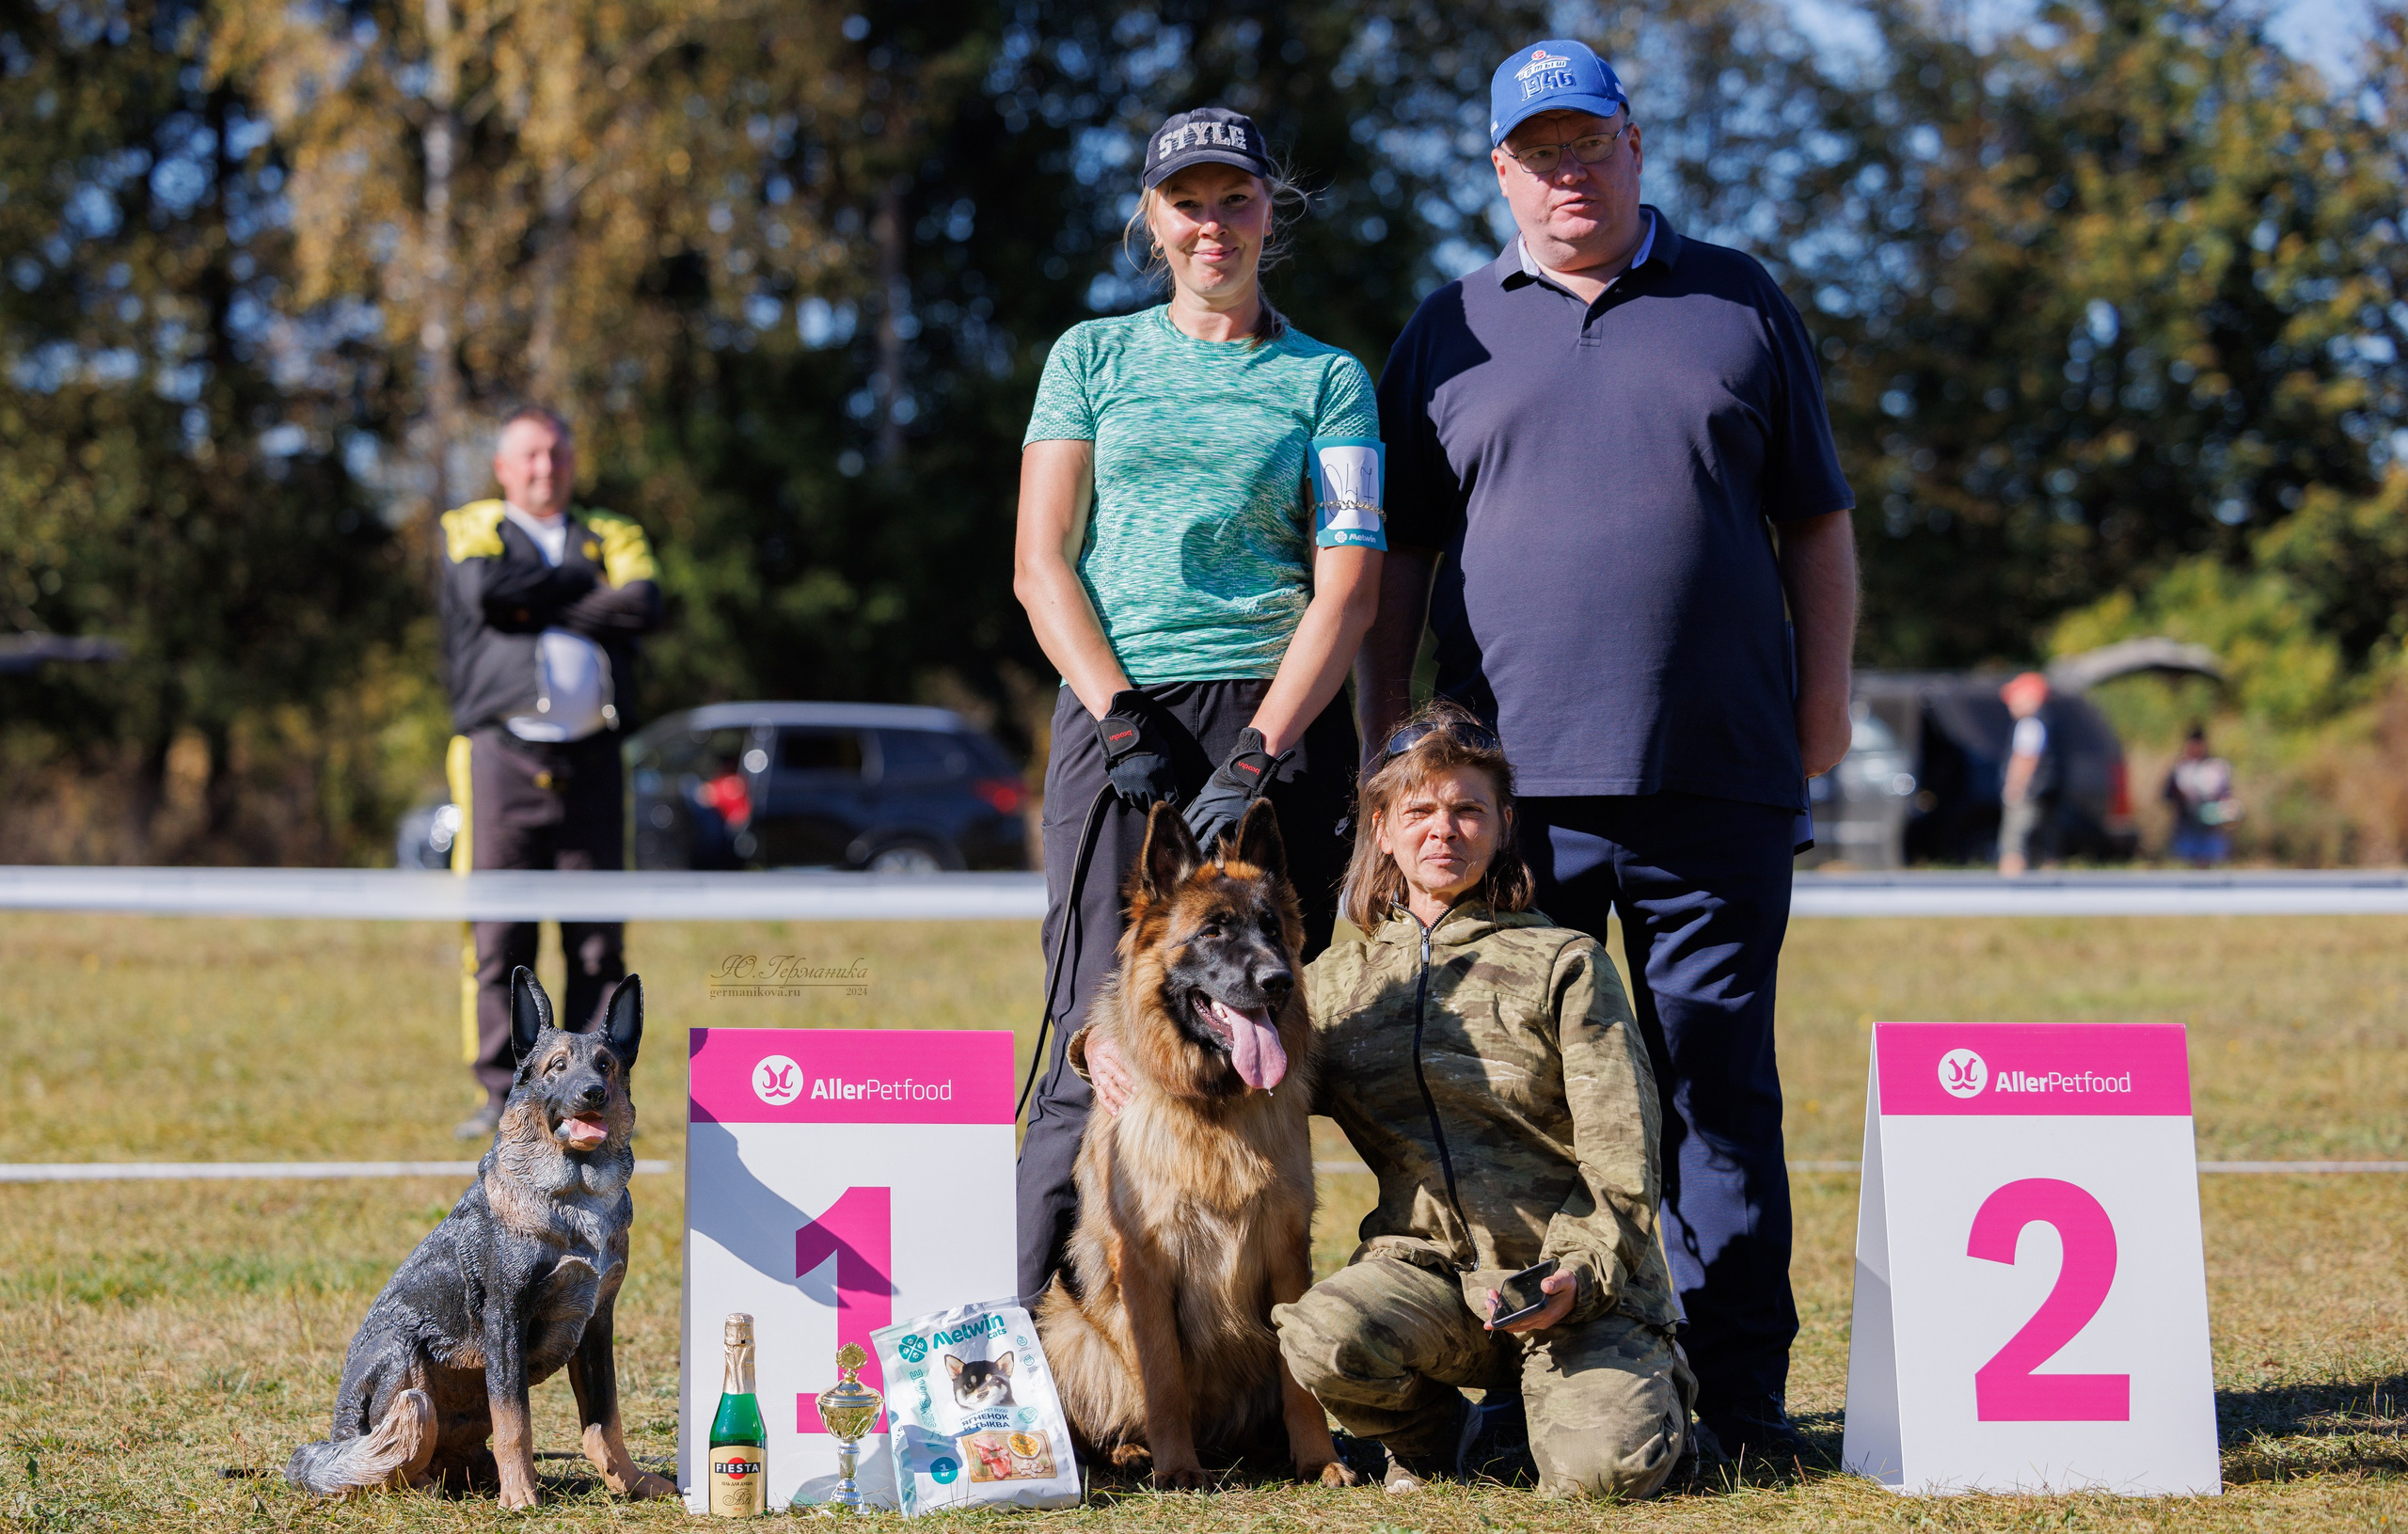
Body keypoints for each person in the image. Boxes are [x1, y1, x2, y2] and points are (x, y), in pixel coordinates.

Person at [1354, 40, 1858, 1463]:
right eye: (1538, 150)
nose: (1567, 171)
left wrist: (1824, 710)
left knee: (1715, 1079)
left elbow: (1817, 519)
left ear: (1635, 150)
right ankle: (1545, 1387)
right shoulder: (1445, 328)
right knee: (1526, 1103)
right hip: (1509, 799)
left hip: (1721, 773)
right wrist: (1390, 748)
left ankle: (1745, 1391)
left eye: (1590, 143)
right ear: (1500, 170)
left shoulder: (1739, 301)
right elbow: (1395, 557)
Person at [1080, 705, 1693, 1498]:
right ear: (1384, 828)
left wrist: (1581, 1270)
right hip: (1435, 1284)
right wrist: (1093, 1042)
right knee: (1318, 1334)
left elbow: (1625, 1155)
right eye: (1421, 811)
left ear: (1503, 824)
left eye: (1469, 809)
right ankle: (1453, 1435)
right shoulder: (1337, 983)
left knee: (1604, 1472)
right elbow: (1188, 1024)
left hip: (1573, 1287)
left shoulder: (1564, 963)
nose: (1445, 830)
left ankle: (1651, 1390)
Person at [1010, 106, 1386, 1306]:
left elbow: (1350, 586)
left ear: (1271, 212)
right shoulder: (1090, 357)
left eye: (1236, 200)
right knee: (1095, 1036)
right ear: (1151, 218)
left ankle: (1268, 1370)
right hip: (1116, 708)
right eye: (1189, 202)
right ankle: (1020, 1377)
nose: (1211, 224)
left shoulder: (1329, 380)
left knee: (1264, 1033)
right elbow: (1038, 561)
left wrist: (1266, 749)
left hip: (1276, 717)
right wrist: (1118, 714)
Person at [439, 405, 663, 1139]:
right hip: (499, 758)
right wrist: (579, 586)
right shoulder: (472, 524)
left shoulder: (614, 531)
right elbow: (487, 595)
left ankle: (598, 1084)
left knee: (597, 939)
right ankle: (504, 1091)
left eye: (558, 454)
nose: (546, 468)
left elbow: (640, 604)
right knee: (502, 933)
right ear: (504, 466)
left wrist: (540, 597)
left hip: (593, 759)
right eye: (531, 456)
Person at [1997, 671, 2058, 878]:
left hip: (2027, 794)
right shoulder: (2051, 720)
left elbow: (2025, 759)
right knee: (2045, 847)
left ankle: (2010, 892)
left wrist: (2014, 788)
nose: (2010, 703)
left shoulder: (2029, 723)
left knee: (2013, 844)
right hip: (2044, 792)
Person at [2163, 723, 2239, 867]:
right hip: (2187, 828)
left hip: (2211, 831)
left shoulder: (2216, 767)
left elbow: (2227, 795)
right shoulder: (2180, 768)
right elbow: (2167, 795)